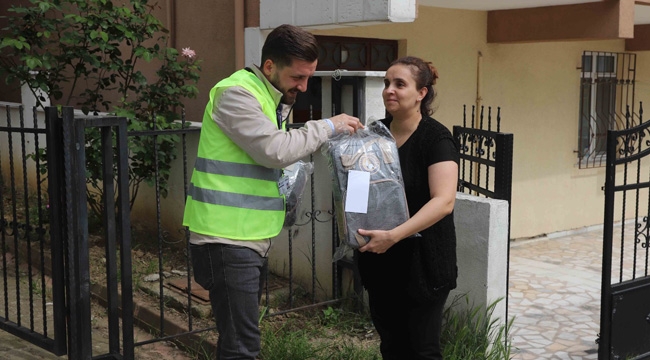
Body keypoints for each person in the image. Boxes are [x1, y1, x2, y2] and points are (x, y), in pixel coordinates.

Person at [182, 24, 363, 360]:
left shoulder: (268, 96)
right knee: (242, 347)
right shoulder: (236, 93)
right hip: (225, 238)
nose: (304, 86)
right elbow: (274, 150)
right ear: (269, 66)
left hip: (245, 237)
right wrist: (327, 126)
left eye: (309, 77)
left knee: (239, 342)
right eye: (298, 77)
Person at [356, 56, 459, 360]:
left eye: (400, 84)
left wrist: (394, 235)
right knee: (391, 346)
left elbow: (444, 201)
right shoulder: (374, 133)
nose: (389, 89)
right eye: (387, 83)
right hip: (380, 260)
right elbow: (361, 189)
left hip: (422, 264)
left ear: (421, 93)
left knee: (422, 351)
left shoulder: (436, 139)